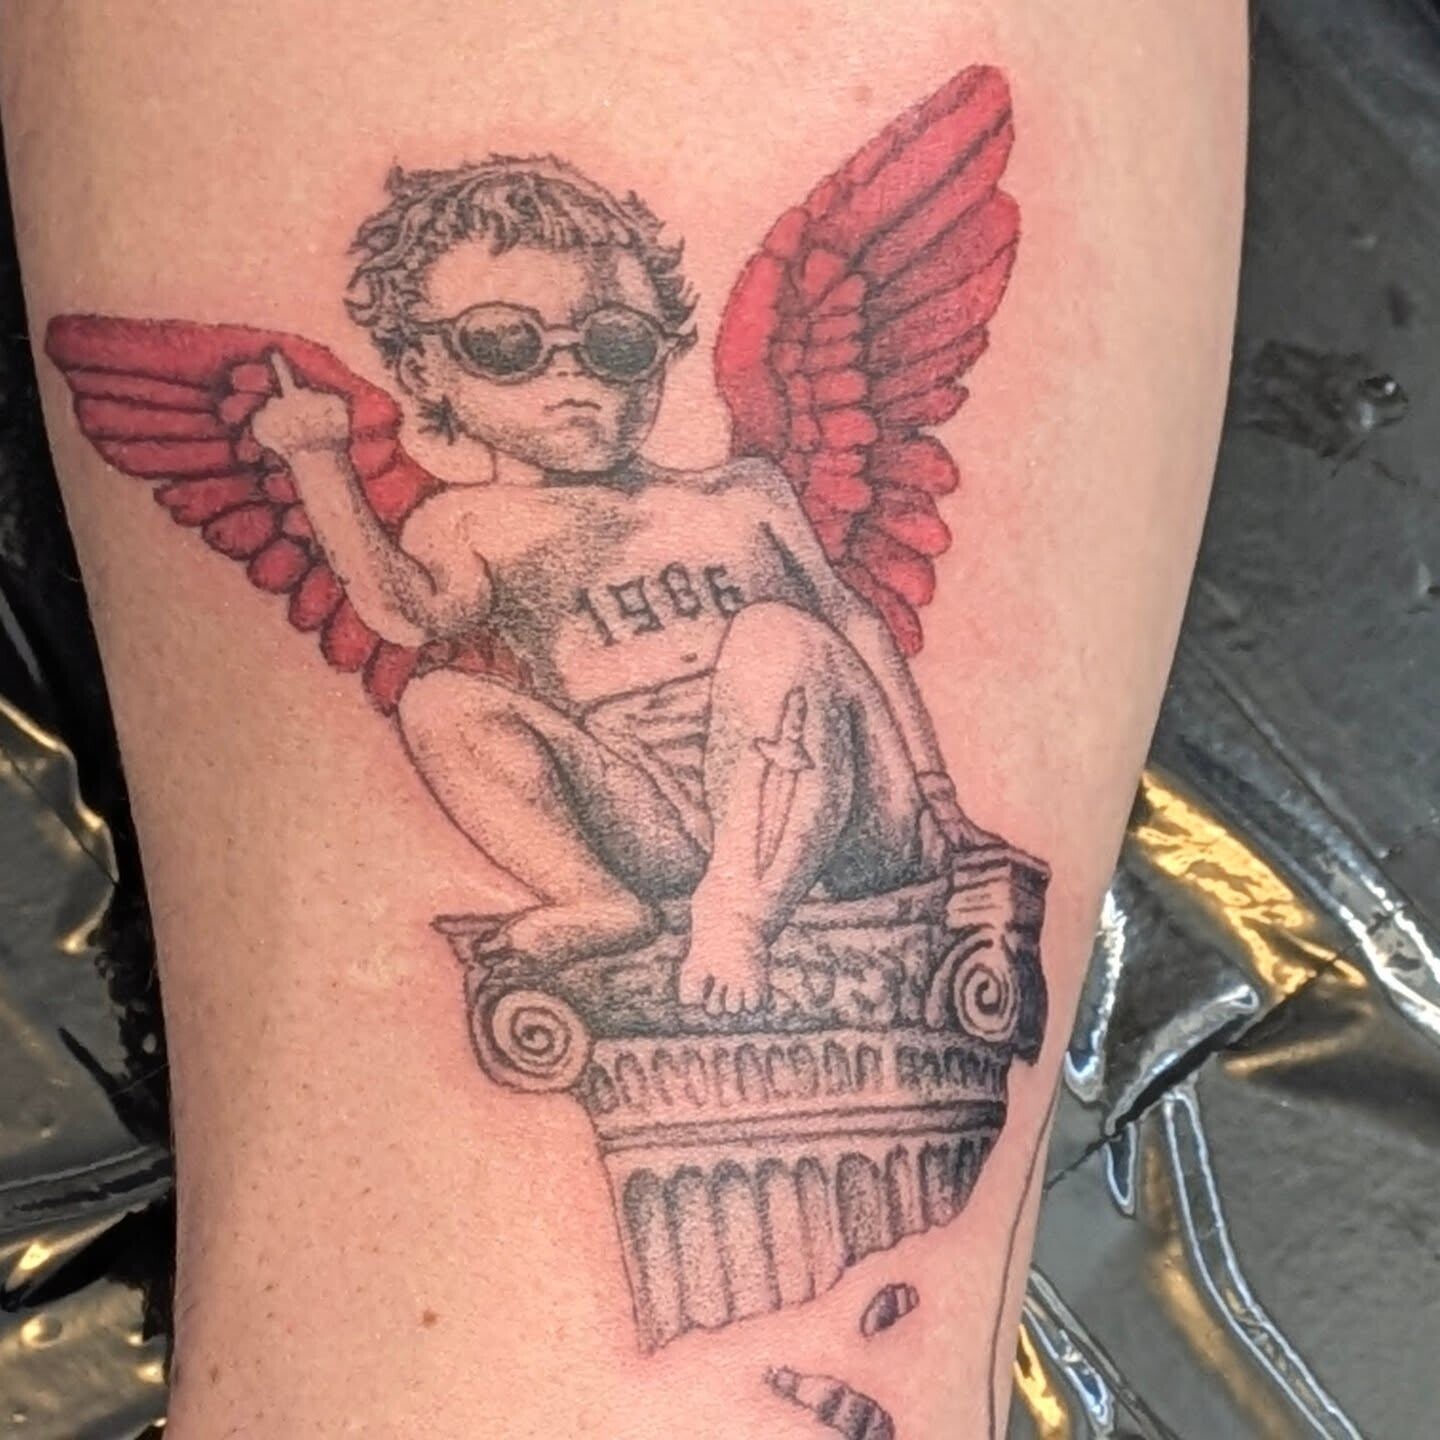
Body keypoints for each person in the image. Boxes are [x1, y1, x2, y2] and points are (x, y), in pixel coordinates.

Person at [0, 4, 1246, 1435]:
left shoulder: (740, 497)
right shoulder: (473, 529)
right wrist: (319, 468)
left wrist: (940, 812)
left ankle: (732, 917)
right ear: (429, 373)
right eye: (506, 346)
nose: (576, 382)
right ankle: (595, 899)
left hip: (836, 820)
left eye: (612, 342)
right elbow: (399, 619)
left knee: (776, 641)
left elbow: (852, 640)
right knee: (450, 703)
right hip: (654, 824)